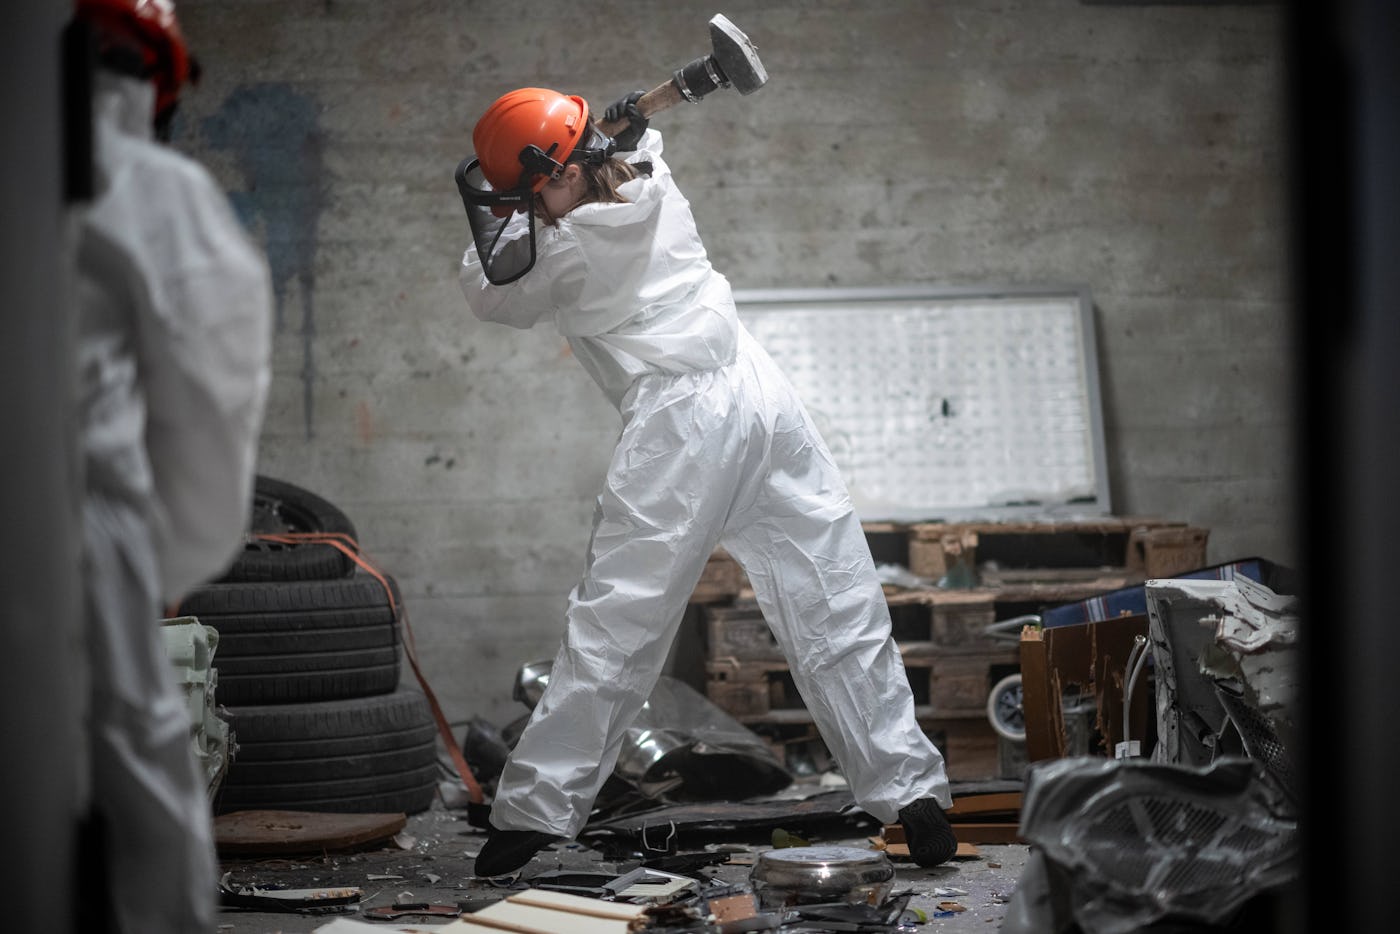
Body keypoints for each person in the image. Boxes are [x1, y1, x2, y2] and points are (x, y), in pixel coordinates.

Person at [458, 87, 957, 877]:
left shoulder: (565, 252)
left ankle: (533, 817)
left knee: (619, 620)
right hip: (763, 396)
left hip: (682, 419)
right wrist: (593, 142)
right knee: (834, 598)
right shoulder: (652, 168)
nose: (526, 207)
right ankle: (913, 797)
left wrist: (531, 203)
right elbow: (621, 151)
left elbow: (488, 292)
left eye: (531, 190)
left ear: (560, 177)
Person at [70, 0, 273, 929]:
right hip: (74, 545)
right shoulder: (153, 194)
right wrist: (153, 562)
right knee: (133, 793)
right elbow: (208, 422)